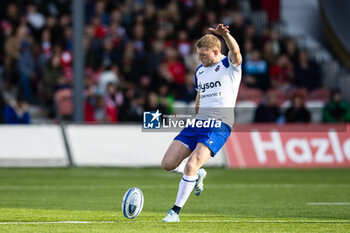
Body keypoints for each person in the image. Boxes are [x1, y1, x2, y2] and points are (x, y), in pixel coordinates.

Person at [161, 24, 242, 222]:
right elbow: (200, 95)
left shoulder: (228, 65)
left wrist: (226, 36)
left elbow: (236, 52)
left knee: (191, 165)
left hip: (220, 123)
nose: (199, 58)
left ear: (216, 51)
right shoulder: (200, 71)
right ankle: (196, 176)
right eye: (198, 54)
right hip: (199, 122)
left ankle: (174, 212)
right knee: (168, 164)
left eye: (203, 55)